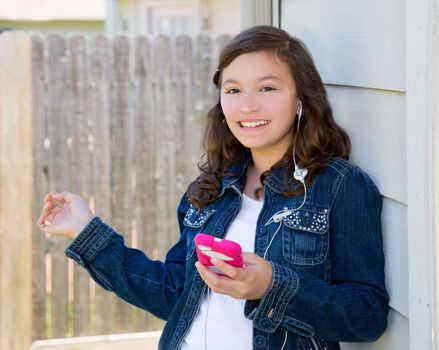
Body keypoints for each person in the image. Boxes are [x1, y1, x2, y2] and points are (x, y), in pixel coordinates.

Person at [37, 25, 389, 350]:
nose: (247, 105)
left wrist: (271, 285)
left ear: (300, 99)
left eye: (267, 88)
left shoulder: (340, 187)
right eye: (233, 89)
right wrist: (85, 229)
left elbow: (366, 316)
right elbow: (175, 294)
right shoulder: (212, 188)